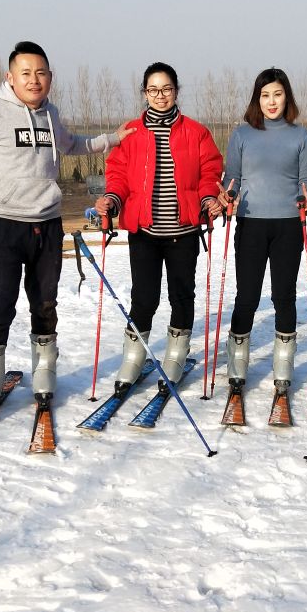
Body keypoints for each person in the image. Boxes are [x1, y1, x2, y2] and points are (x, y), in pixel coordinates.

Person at [0, 41, 130, 419]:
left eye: (41, 73)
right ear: (10, 78)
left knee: (45, 301)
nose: (35, 80)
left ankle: (45, 369)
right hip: (4, 224)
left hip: (47, 225)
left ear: (50, 77)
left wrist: (112, 139)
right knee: (0, 301)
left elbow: (73, 145)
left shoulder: (51, 114)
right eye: (26, 73)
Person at [94, 62, 223, 391]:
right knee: (144, 297)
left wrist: (209, 198)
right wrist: (111, 198)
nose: (160, 96)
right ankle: (134, 357)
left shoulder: (196, 132)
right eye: (153, 90)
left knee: (181, 295)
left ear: (176, 91)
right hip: (144, 232)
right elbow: (119, 175)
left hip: (183, 231)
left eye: (166, 89)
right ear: (144, 93)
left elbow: (210, 172)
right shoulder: (131, 133)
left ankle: (177, 353)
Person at [218, 67, 307, 395]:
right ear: (256, 99)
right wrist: (228, 195)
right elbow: (232, 176)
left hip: (288, 225)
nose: (271, 101)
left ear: (286, 96)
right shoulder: (242, 135)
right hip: (251, 222)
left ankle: (283, 369)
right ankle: (236, 368)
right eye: (265, 95)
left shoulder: (300, 135)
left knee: (284, 297)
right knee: (246, 296)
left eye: (277, 94)